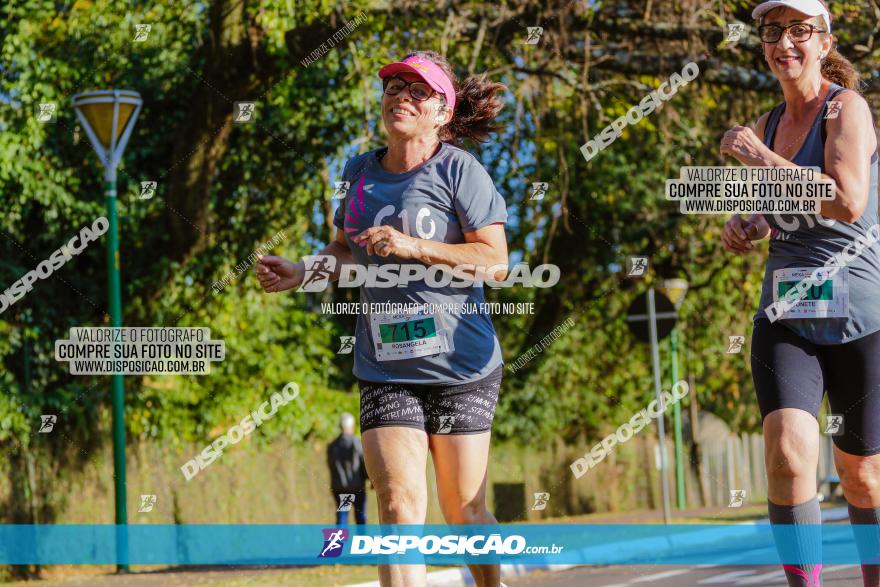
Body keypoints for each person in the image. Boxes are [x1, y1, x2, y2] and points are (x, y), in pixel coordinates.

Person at [256, 51, 510, 587]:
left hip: (462, 366)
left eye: (418, 90)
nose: (401, 96)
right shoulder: (358, 173)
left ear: (442, 111)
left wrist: (414, 247)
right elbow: (346, 251)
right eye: (394, 86)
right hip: (386, 365)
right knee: (396, 507)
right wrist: (302, 270)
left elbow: (495, 262)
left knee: (463, 510)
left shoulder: (458, 169)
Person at [720, 1, 880, 585]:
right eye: (772, 31)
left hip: (862, 317)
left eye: (798, 30)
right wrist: (752, 223)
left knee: (861, 474)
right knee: (788, 453)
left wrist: (760, 160)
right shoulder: (766, 123)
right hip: (786, 312)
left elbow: (846, 199)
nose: (784, 42)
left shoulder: (847, 109)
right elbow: (780, 208)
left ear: (823, 40)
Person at [327, 412, 368, 525]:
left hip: (340, 488)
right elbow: (364, 464)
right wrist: (369, 479)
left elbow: (331, 466)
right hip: (357, 487)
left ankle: (339, 543)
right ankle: (362, 542)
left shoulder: (332, 445)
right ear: (352, 426)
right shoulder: (358, 442)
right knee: (361, 517)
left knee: (342, 517)